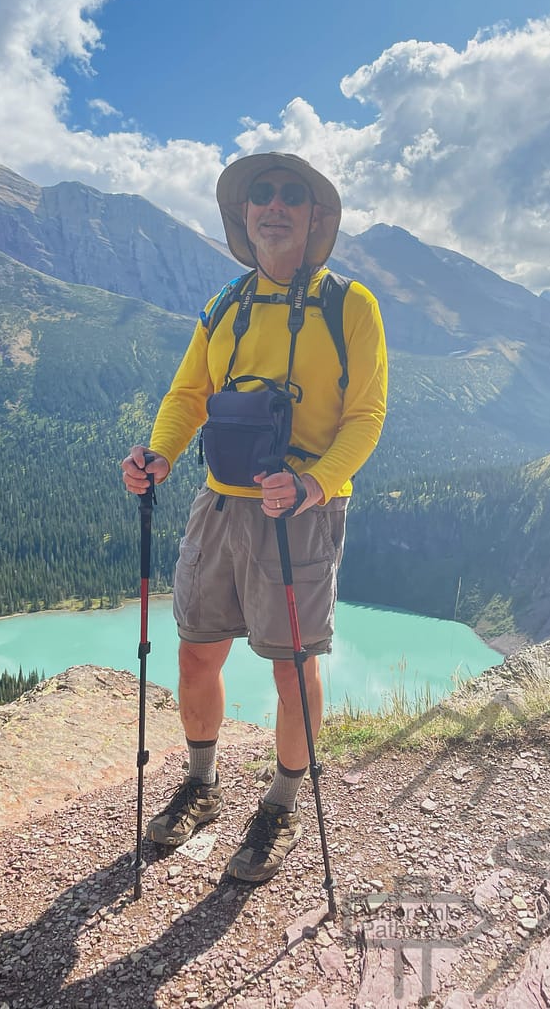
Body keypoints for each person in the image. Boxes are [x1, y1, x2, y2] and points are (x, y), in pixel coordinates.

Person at [121, 151, 387, 883]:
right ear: (245, 215)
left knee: (293, 667)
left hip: (300, 512)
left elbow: (367, 415)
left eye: (290, 196)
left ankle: (282, 802)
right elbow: (188, 396)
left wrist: (316, 484)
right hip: (220, 502)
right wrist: (160, 455)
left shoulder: (350, 305)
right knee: (196, 651)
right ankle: (202, 785)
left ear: (313, 216)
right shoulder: (225, 305)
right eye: (260, 196)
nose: (273, 205)